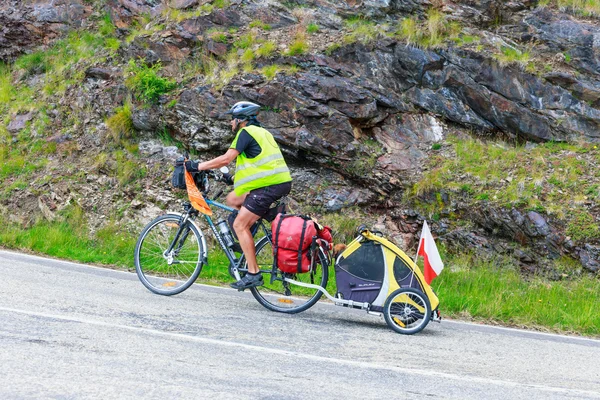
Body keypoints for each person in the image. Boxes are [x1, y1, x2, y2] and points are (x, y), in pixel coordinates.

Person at [188, 101, 292, 290]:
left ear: (240, 119)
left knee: (238, 224)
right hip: (276, 183)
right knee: (233, 199)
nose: (230, 123)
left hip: (269, 187)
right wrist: (231, 178)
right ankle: (249, 231)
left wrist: (198, 166)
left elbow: (226, 159)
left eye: (232, 119)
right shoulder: (263, 133)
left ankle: (253, 273)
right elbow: (259, 164)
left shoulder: (246, 133)